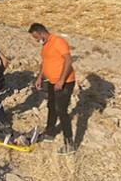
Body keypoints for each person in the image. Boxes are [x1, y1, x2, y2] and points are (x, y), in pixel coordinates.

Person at [28, 23, 76, 155]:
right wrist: (39, 78)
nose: (36, 40)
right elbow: (45, 62)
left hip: (65, 82)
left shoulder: (59, 42)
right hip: (52, 82)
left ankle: (69, 144)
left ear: (42, 33)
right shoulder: (45, 45)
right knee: (51, 106)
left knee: (61, 111)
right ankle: (49, 133)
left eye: (36, 37)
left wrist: (61, 80)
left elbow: (68, 61)